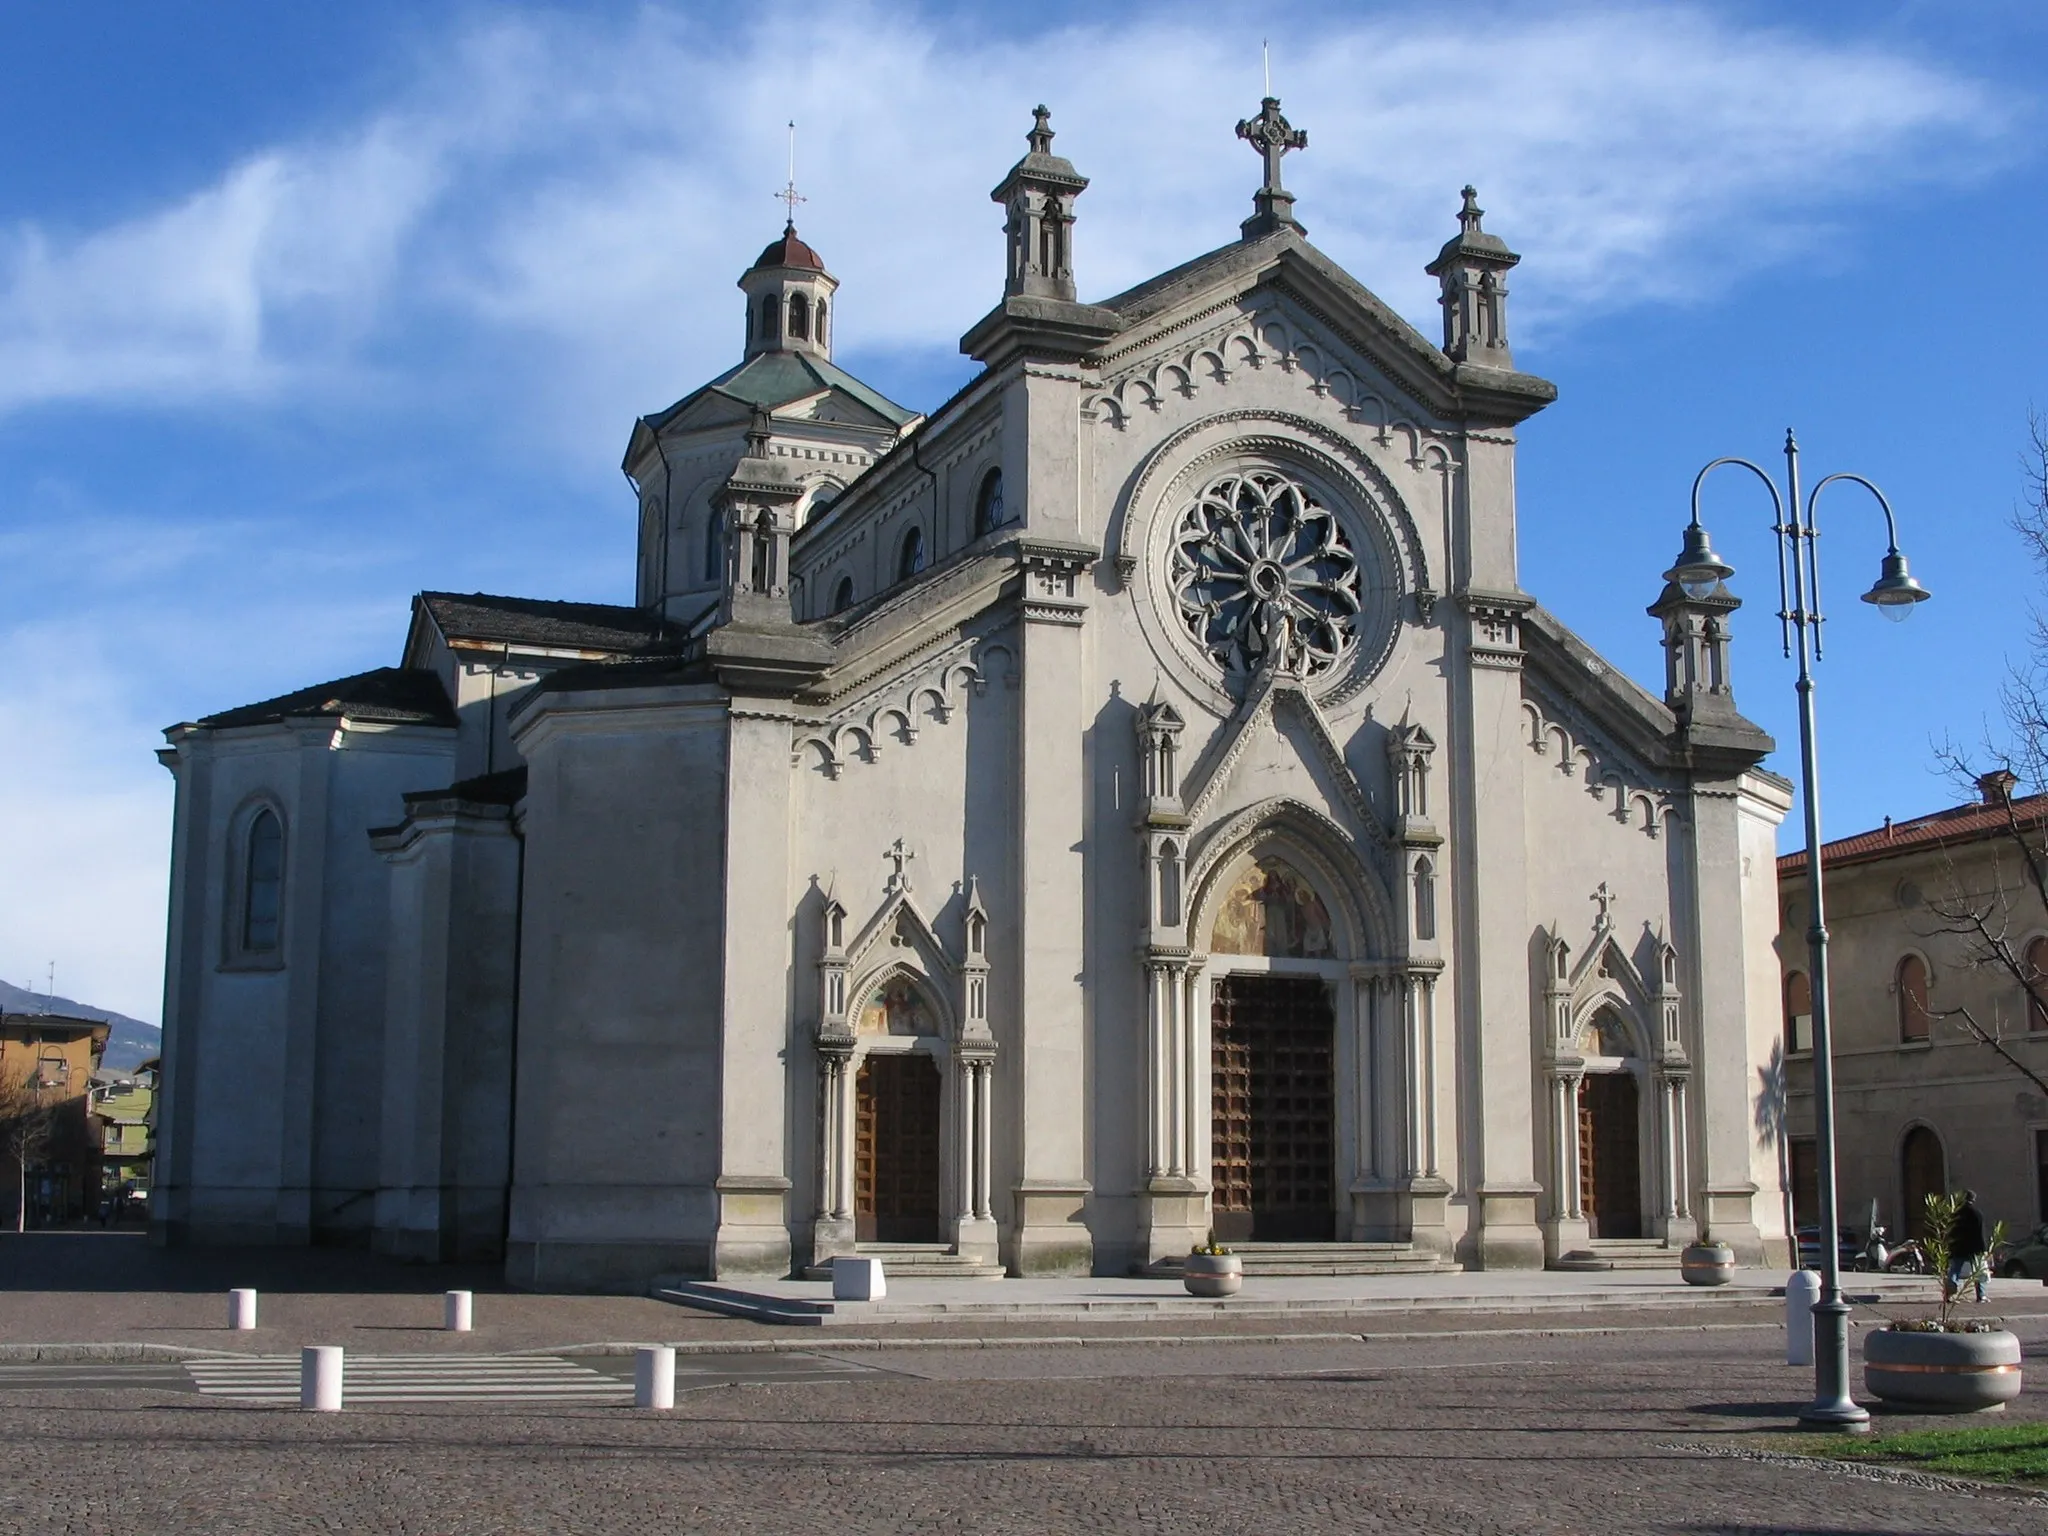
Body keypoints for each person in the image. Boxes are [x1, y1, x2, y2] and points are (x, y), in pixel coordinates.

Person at [1950, 1189, 1989, 1303]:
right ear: (1973, 1199)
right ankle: (1981, 1296)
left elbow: (1950, 1231)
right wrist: (1984, 1249)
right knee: (1978, 1271)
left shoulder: (1955, 1214)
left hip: (1958, 1246)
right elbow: (1980, 1232)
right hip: (1974, 1247)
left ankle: (1949, 1294)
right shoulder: (1977, 1214)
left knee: (1955, 1270)